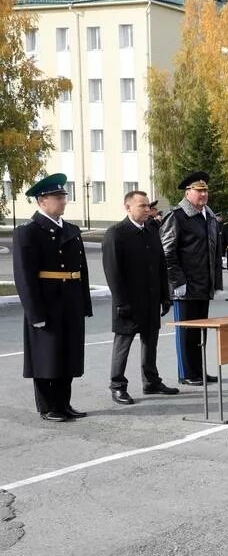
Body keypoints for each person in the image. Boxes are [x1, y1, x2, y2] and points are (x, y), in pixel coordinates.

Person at [12, 173, 93, 421]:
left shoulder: (70, 229)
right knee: (47, 355)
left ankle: (64, 403)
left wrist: (84, 303)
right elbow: (24, 276)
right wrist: (34, 312)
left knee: (68, 353)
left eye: (63, 196)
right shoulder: (29, 232)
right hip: (47, 301)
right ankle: (48, 406)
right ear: (42, 201)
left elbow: (82, 269)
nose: (63, 201)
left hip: (70, 299)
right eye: (57, 197)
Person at [102, 190, 179, 405]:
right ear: (128, 208)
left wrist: (165, 295)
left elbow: (160, 265)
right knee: (123, 343)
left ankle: (151, 381)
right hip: (128, 302)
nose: (148, 210)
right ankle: (117, 385)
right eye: (142, 206)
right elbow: (113, 273)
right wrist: (121, 302)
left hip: (151, 299)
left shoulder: (152, 229)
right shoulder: (116, 233)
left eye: (148, 206)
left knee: (150, 342)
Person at [160, 170, 222, 386]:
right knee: (186, 332)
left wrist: (215, 282)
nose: (203, 195)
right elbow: (167, 252)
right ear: (188, 193)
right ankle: (187, 372)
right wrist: (178, 282)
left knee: (200, 330)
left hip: (203, 284)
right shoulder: (177, 216)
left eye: (205, 190)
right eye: (199, 191)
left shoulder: (209, 216)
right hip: (185, 285)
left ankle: (199, 370)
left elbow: (213, 250)